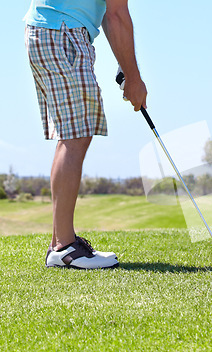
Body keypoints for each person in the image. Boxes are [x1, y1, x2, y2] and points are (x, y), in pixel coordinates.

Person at [24, 0, 147, 269]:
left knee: (73, 134)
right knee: (76, 136)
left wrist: (127, 67)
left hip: (54, 29)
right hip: (62, 31)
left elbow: (106, 13)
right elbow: (115, 14)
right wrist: (134, 79)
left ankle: (61, 243)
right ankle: (64, 248)